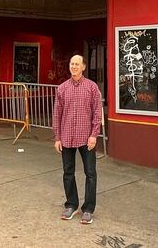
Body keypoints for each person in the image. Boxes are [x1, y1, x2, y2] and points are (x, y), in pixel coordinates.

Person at [52, 54, 102, 225]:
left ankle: (88, 209)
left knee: (90, 174)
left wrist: (94, 134)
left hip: (86, 138)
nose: (73, 66)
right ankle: (71, 205)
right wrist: (57, 137)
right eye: (72, 64)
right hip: (66, 137)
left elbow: (97, 112)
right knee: (68, 173)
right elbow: (57, 114)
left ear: (83, 67)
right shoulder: (62, 88)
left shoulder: (92, 87)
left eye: (77, 64)